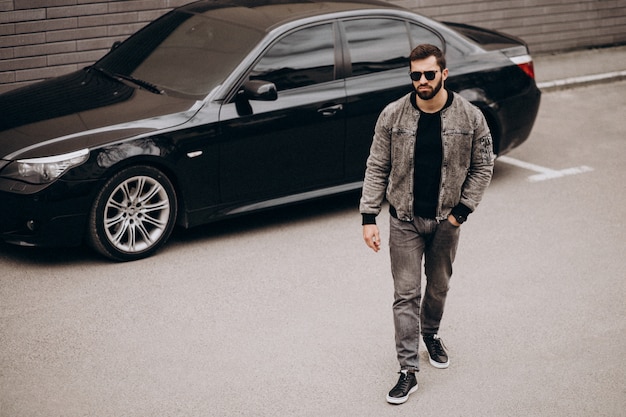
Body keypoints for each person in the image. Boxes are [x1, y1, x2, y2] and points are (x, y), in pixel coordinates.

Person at [359, 44, 494, 405]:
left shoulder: (470, 117)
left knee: (437, 288)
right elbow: (376, 166)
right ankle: (407, 370)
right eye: (415, 75)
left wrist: (460, 213)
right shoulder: (392, 115)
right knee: (405, 295)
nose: (421, 80)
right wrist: (368, 216)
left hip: (447, 221)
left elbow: (483, 166)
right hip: (403, 220)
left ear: (444, 74)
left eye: (428, 74)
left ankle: (430, 335)